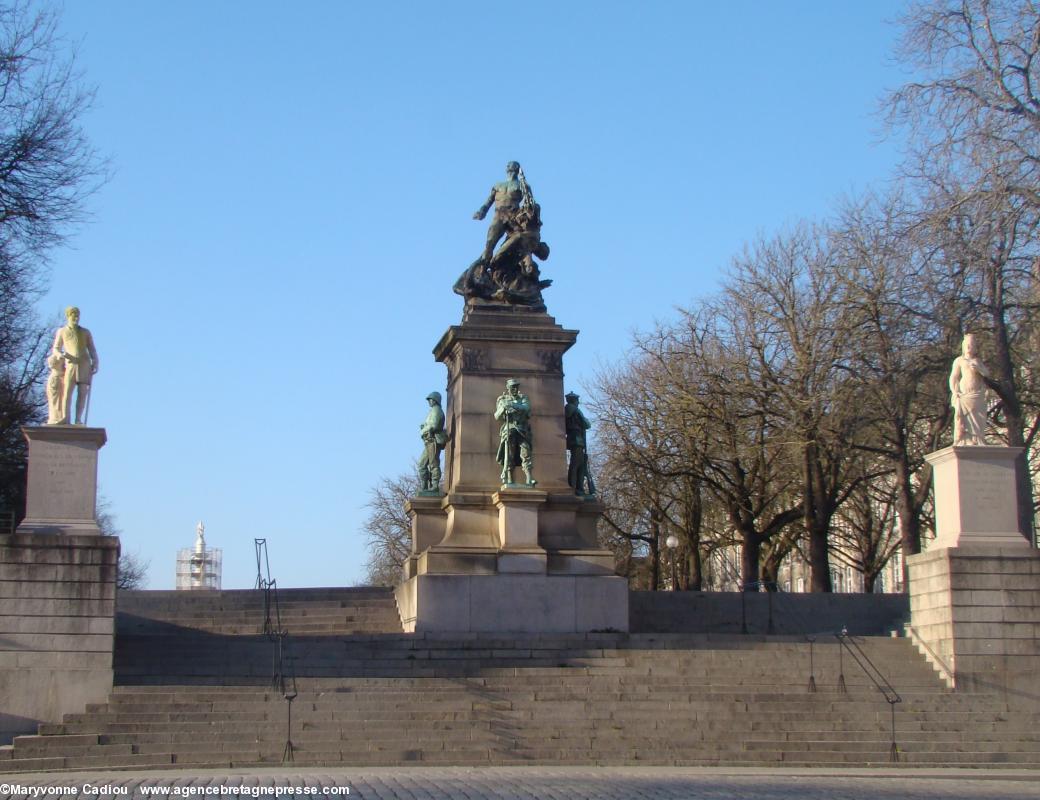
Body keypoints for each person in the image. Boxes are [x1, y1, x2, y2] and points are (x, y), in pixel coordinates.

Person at [51, 306, 99, 425]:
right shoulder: (62, 331)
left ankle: (78, 419)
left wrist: (95, 361)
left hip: (84, 364)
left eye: (77, 316)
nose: (76, 318)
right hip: (71, 363)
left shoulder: (85, 332)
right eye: (74, 315)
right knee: (67, 392)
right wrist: (59, 355)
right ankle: (65, 417)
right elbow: (56, 348)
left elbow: (92, 349)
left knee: (82, 392)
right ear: (68, 316)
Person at [473, 161, 526, 263]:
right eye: (507, 165)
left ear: (516, 167)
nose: (507, 166)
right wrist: (482, 211)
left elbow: (528, 203)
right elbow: (489, 201)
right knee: (490, 241)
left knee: (519, 239)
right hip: (499, 214)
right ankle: (485, 263)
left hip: (514, 216)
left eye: (510, 164)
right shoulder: (498, 185)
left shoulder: (522, 185)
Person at [949, 333, 990, 445]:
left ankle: (977, 438)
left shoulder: (977, 361)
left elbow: (987, 374)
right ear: (963, 346)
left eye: (970, 344)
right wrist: (954, 391)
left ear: (974, 347)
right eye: (966, 344)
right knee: (962, 417)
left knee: (978, 418)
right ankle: (965, 438)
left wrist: (978, 368)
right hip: (964, 395)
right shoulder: (959, 360)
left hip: (977, 395)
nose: (968, 347)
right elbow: (953, 377)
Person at [494, 378, 535, 486]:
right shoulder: (502, 399)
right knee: (509, 454)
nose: (515, 389)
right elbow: (497, 416)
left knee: (526, 452)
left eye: (516, 387)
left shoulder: (523, 398)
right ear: (508, 388)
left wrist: (511, 405)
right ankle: (510, 479)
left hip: (522, 429)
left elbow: (526, 408)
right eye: (512, 387)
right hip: (509, 428)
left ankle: (529, 478)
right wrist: (503, 408)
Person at [564, 391, 594, 495]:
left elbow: (586, 424)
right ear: (574, 401)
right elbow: (587, 424)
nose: (578, 403)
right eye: (577, 400)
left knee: (580, 464)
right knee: (576, 464)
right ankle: (573, 487)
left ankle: (578, 487)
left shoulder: (572, 410)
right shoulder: (572, 408)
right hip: (576, 440)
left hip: (578, 440)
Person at [418, 391, 447, 493]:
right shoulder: (433, 411)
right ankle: (425, 486)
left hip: (433, 440)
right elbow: (429, 425)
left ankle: (434, 485)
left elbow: (434, 425)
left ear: (435, 400)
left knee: (433, 463)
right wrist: (425, 427)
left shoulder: (437, 410)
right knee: (421, 464)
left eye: (431, 399)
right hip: (428, 440)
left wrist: (424, 429)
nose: (429, 401)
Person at [45, 352, 66, 424]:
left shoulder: (59, 373)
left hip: (56, 380)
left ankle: (57, 417)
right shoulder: (57, 374)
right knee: (57, 401)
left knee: (57, 400)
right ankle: (57, 417)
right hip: (56, 381)